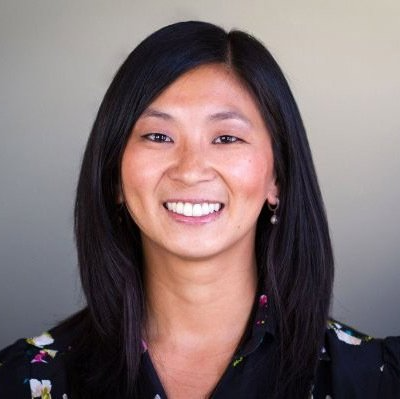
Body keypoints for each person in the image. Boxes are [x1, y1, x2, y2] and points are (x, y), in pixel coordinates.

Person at [0, 20, 399, 399]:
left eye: (226, 138)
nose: (190, 170)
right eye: (158, 136)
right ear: (114, 176)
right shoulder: (24, 380)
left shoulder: (372, 381)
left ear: (277, 177)